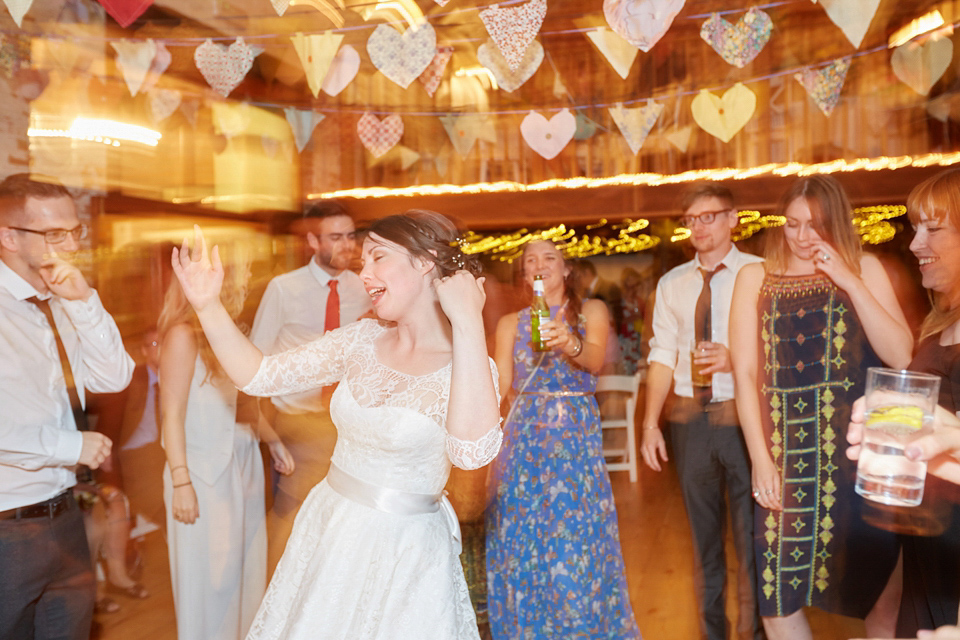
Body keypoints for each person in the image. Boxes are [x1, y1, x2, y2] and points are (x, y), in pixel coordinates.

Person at [170, 210, 502, 639]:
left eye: (377, 257)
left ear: (425, 261)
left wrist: (469, 324)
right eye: (363, 261)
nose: (364, 273)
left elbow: (470, 453)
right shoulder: (360, 341)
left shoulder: (471, 366)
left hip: (406, 553)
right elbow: (259, 376)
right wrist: (207, 306)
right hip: (331, 527)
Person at [729, 174, 913, 640]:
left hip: (855, 457)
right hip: (783, 459)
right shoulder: (755, 276)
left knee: (876, 599)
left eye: (816, 225)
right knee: (776, 600)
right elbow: (746, 377)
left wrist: (847, 278)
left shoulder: (864, 267)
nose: (802, 237)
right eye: (792, 224)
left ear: (837, 223)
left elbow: (900, 354)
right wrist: (760, 461)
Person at [0, 173, 134, 639]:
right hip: (7, 530)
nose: (71, 246)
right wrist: (67, 445)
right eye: (55, 234)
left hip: (67, 517)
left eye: (73, 232)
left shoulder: (59, 300)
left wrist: (84, 302)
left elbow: (114, 377)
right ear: (8, 236)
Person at [486, 238, 640, 639]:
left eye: (549, 258)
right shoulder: (510, 324)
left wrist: (567, 340)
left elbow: (593, 359)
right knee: (524, 545)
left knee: (575, 546)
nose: (539, 264)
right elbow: (502, 386)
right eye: (530, 260)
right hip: (523, 444)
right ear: (523, 274)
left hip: (573, 443)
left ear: (566, 269)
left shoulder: (592, 310)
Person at [640, 182, 764, 640]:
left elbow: (781, 349)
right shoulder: (673, 283)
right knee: (704, 544)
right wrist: (651, 423)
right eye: (691, 220)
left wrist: (737, 359)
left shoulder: (760, 272)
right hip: (692, 421)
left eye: (708, 217)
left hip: (744, 418)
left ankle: (756, 633)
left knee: (754, 541)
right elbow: (662, 355)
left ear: (733, 218)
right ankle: (713, 634)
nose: (698, 228)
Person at [847, 168, 960, 638]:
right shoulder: (941, 323)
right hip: (933, 535)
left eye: (933, 228)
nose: (915, 244)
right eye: (916, 228)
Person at [159, 250, 294, 640]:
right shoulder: (182, 334)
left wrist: (273, 440)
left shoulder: (228, 332)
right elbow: (171, 415)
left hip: (243, 461)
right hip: (199, 472)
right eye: (245, 271)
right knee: (208, 585)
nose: (249, 280)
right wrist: (182, 481)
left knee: (245, 574)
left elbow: (242, 405)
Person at [249, 201, 372, 573]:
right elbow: (256, 361)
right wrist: (267, 434)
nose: (347, 245)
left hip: (351, 424)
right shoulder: (284, 289)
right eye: (336, 237)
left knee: (345, 527)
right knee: (294, 524)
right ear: (312, 241)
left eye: (351, 236)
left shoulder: (367, 288)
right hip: (299, 425)